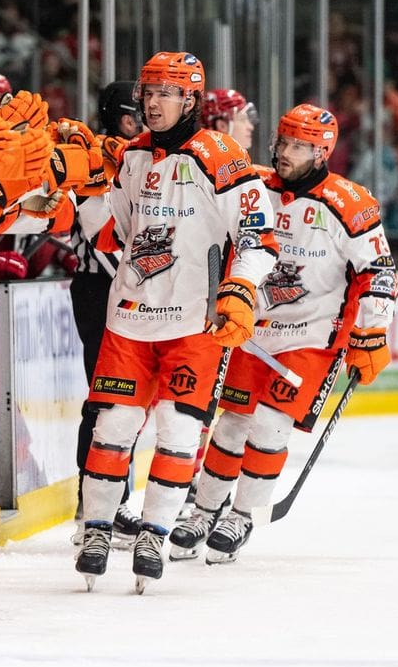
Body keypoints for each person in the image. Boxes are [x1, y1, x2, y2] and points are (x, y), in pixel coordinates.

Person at [74, 51, 278, 591]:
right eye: (148, 91)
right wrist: (84, 182)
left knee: (180, 430)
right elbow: (107, 230)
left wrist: (239, 290)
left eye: (166, 92)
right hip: (129, 319)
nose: (153, 102)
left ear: (190, 99)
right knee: (112, 426)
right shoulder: (132, 156)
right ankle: (96, 528)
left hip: (193, 323)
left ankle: (155, 532)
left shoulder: (221, 155)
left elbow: (261, 239)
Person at [169, 103, 396, 563]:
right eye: (283, 143)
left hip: (309, 338)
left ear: (322, 151)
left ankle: (243, 514)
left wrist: (373, 331)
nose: (285, 153)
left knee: (271, 422)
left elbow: (378, 271)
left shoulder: (351, 204)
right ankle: (205, 509)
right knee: (231, 423)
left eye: (298, 146)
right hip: (251, 331)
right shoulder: (256, 186)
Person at [69, 81, 145, 547]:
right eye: (134, 114)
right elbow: (101, 238)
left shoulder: (142, 159)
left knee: (128, 402)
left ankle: (112, 502)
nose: (144, 121)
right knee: (107, 399)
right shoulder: (97, 158)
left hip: (131, 289)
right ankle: (94, 507)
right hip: (103, 289)